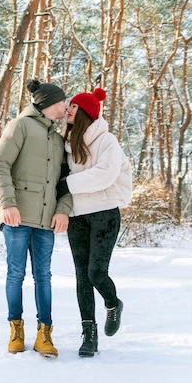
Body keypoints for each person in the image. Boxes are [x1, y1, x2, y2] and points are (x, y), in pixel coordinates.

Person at [0, 79, 73, 357]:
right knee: (15, 274)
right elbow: (0, 164)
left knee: (44, 277)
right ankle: (16, 329)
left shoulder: (59, 139)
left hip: (46, 221)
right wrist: (7, 204)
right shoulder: (20, 126)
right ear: (50, 103)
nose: (66, 106)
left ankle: (44, 334)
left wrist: (63, 208)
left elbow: (66, 180)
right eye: (63, 101)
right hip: (17, 218)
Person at [56, 87, 132, 357]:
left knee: (96, 273)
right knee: (81, 278)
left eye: (73, 107)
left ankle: (113, 303)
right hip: (78, 216)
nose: (68, 110)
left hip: (105, 214)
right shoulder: (66, 143)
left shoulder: (106, 141)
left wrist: (68, 184)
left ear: (86, 112)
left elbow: (105, 175)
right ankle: (89, 334)